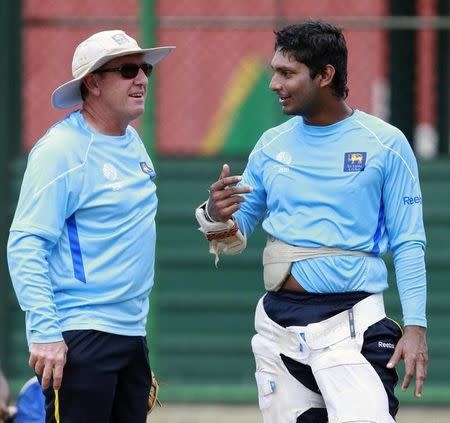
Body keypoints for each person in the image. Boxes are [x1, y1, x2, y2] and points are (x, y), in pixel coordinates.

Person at [195, 20, 428, 422]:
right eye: (274, 71)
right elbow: (237, 230)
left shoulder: (386, 143)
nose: (274, 83)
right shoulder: (271, 143)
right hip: (278, 327)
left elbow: (408, 242)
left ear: (325, 75)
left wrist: (416, 327)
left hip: (351, 326)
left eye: (287, 73)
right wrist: (216, 214)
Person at [7, 30, 174, 422]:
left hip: (131, 335)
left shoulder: (131, 141)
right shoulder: (61, 150)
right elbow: (26, 244)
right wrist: (46, 333)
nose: (142, 79)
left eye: (145, 68)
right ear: (93, 83)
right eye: (128, 69)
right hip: (80, 336)